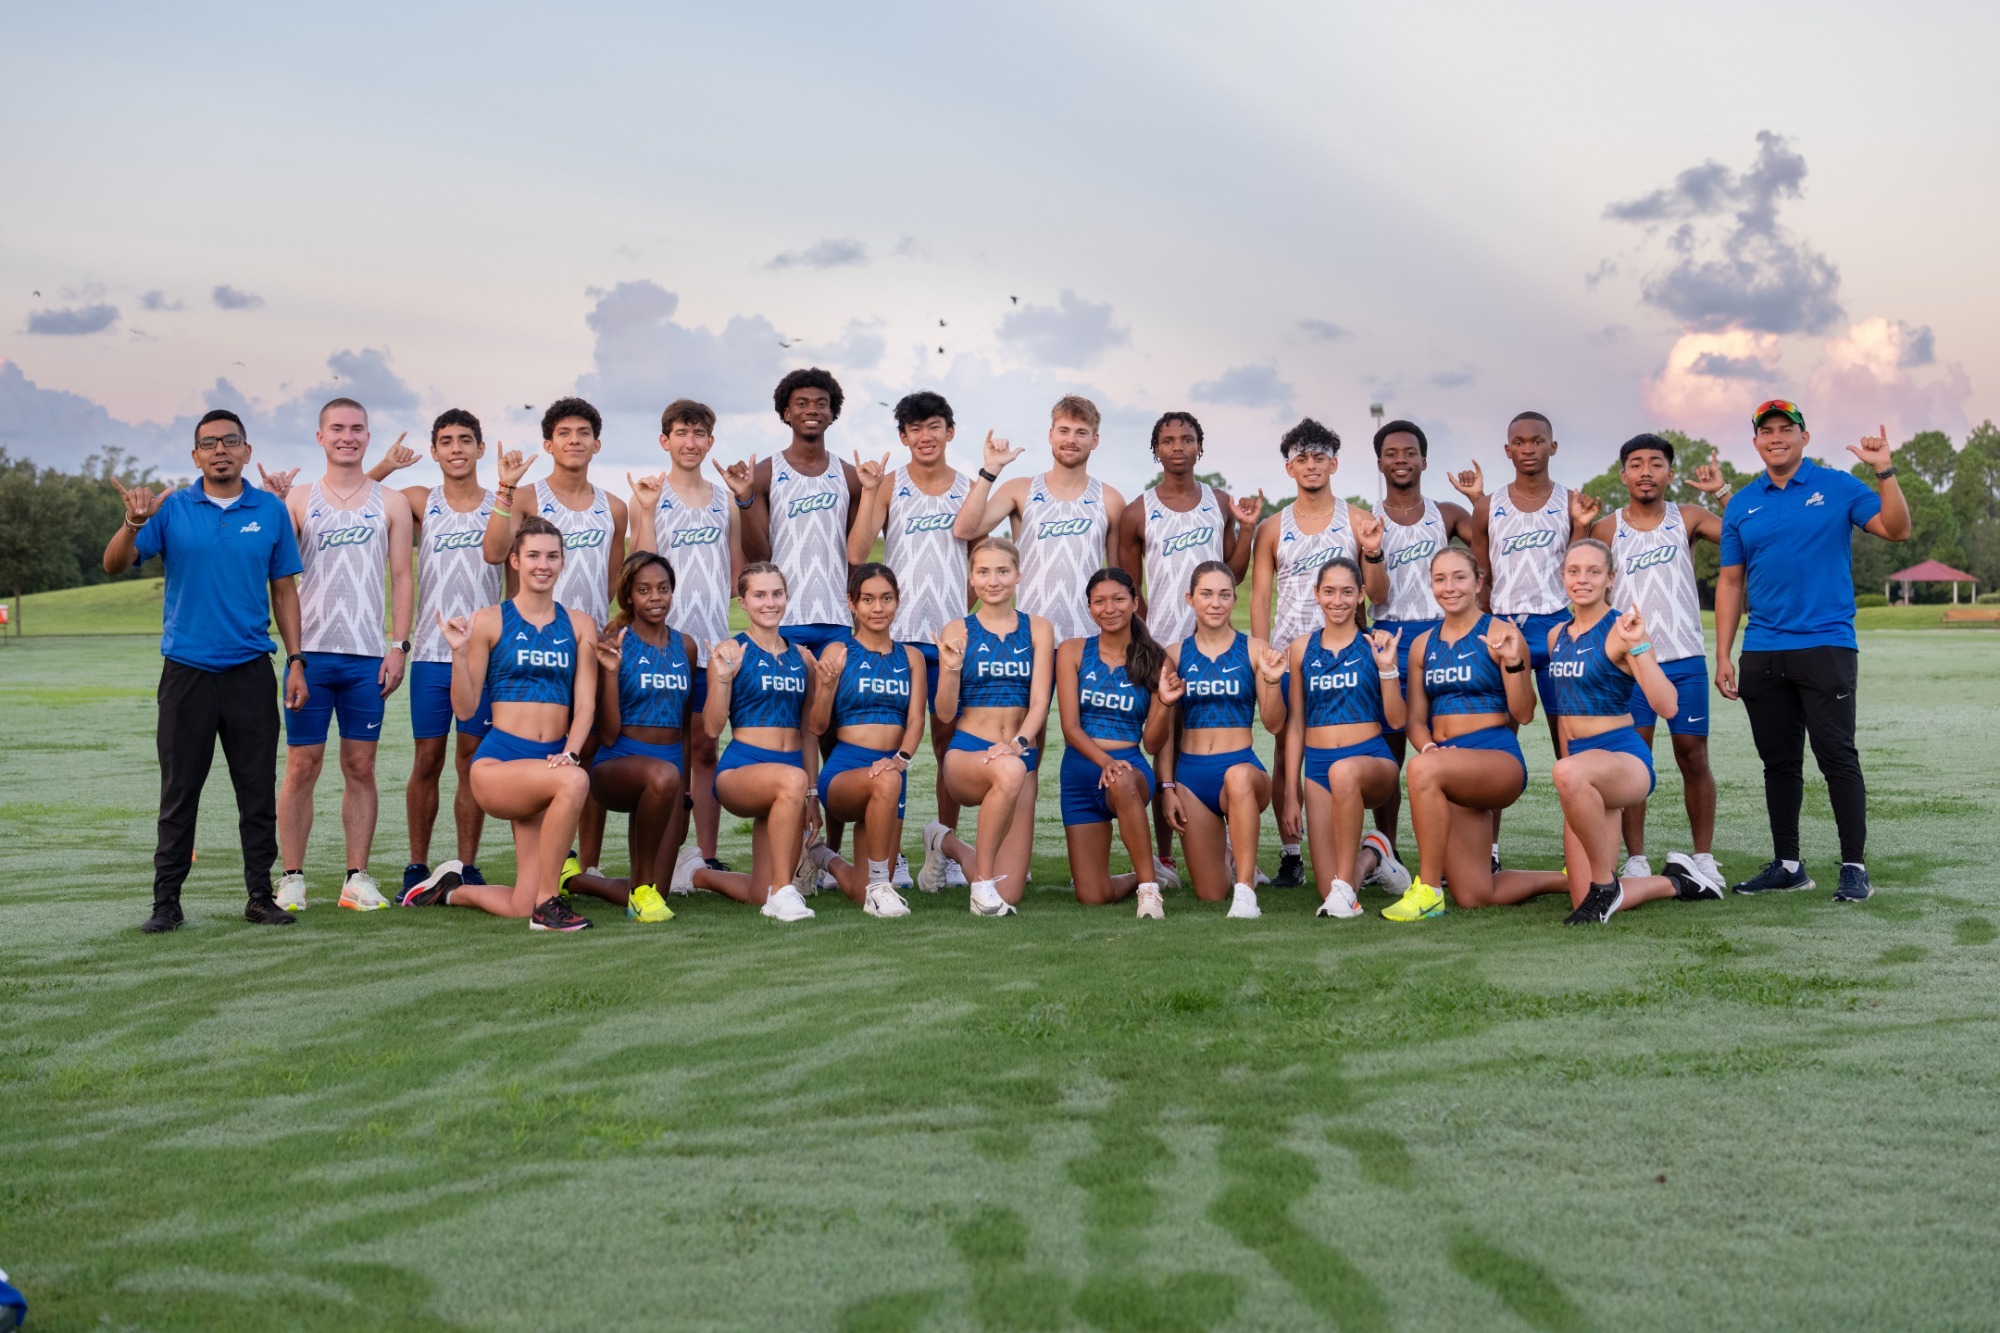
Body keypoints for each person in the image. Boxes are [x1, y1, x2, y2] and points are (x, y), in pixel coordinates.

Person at [105, 409, 307, 931]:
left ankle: (261, 896)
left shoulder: (270, 510)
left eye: (230, 441)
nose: (220, 449)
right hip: (187, 674)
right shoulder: (171, 510)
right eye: (209, 443)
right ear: (195, 455)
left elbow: (284, 590)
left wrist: (297, 660)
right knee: (179, 793)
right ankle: (166, 904)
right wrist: (133, 522)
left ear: (247, 450)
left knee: (257, 791)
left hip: (249, 672)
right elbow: (113, 563)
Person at [1715, 403, 1909, 902]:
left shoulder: (1839, 486)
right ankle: (1788, 865)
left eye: (1786, 429)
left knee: (1837, 757)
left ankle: (1854, 866)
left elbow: (1896, 528)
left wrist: (1884, 470)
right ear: (1756, 443)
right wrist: (1723, 654)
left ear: (1804, 436)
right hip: (1762, 650)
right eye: (1766, 432)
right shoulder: (1741, 504)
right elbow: (1731, 582)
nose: (1776, 438)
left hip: (1826, 646)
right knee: (1778, 763)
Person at [407, 516, 597, 931]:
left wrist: (571, 752)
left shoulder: (581, 625)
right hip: (499, 767)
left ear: (563, 562)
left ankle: (450, 890)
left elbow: (585, 706)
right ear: (514, 561)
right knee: (575, 782)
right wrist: (458, 653)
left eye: (551, 556)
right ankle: (549, 905)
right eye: (532, 555)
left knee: (516, 903)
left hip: (549, 764)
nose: (542, 564)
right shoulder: (489, 621)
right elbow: (465, 707)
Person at [275, 397, 415, 911]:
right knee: (301, 766)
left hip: (364, 658)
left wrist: (398, 646)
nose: (347, 436)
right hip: (307, 656)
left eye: (357, 428)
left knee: (361, 766)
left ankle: (356, 878)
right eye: (337, 429)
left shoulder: (391, 501)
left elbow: (403, 577)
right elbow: (279, 573)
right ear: (320, 437)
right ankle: (291, 877)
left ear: (367, 435)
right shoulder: (297, 498)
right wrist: (293, 658)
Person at [1114, 410, 1262, 888]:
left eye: (1187, 439)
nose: (1177, 447)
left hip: (1213, 640)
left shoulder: (1218, 502)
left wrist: (1246, 528)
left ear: (1201, 447)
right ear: (1155, 449)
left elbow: (1233, 573)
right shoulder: (1138, 511)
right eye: (1168, 440)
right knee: (1165, 744)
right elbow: (1128, 587)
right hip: (1162, 645)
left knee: (1216, 729)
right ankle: (1164, 856)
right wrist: (1143, 648)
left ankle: (1233, 846)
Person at [1546, 539, 1728, 923]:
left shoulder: (1622, 629)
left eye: (1594, 571)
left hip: (1623, 759)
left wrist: (1641, 646)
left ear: (1610, 579)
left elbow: (1667, 705)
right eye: (1574, 571)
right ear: (1562, 577)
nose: (1583, 580)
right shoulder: (1556, 635)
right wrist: (1575, 779)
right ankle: (1679, 881)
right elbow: (1563, 717)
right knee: (1585, 902)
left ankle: (1606, 884)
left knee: (1565, 771)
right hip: (1583, 774)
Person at [483, 397, 626, 877]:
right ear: (548, 444)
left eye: (583, 433)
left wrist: (596, 632)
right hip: (529, 642)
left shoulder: (615, 507)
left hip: (582, 642)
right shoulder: (527, 496)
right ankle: (545, 866)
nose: (574, 441)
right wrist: (505, 488)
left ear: (597, 443)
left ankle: (584, 865)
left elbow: (612, 582)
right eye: (564, 433)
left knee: (584, 751)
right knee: (531, 749)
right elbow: (494, 552)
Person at [1579, 433, 1731, 886]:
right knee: (1634, 759)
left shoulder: (1688, 517)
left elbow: (1749, 532)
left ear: (1669, 473)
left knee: (1692, 754)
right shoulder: (1606, 529)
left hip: (1684, 657)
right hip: (1628, 665)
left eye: (1657, 464)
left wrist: (1722, 492)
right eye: (1637, 464)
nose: (1647, 472)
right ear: (1623, 473)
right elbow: (1579, 579)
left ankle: (1703, 856)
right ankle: (1637, 857)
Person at [363, 409, 503, 897]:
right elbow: (358, 497)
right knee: (428, 759)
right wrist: (385, 466)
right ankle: (416, 865)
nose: (457, 448)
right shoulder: (421, 500)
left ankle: (466, 863)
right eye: (446, 441)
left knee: (472, 759)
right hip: (428, 652)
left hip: (484, 655)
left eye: (466, 440)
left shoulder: (501, 504)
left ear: (480, 448)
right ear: (436, 450)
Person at [1389, 548, 1568, 919]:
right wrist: (1429, 748)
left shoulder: (1501, 632)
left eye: (1459, 577)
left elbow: (1524, 712)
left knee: (1421, 770)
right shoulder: (1423, 645)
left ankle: (1428, 889)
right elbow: (1416, 721)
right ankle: (1567, 879)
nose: (1449, 587)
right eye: (1440, 579)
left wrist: (1514, 661)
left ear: (1478, 582)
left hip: (1496, 760)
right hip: (1448, 766)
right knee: (1474, 893)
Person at [1248, 418, 1385, 889]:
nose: (1311, 465)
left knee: (1354, 742)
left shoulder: (1359, 518)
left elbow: (1378, 590)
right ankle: (1292, 854)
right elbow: (1260, 597)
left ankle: (1374, 843)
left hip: (1345, 652)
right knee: (1287, 749)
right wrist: (1263, 655)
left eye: (1319, 456)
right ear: (1290, 467)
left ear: (1335, 463)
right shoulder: (1271, 527)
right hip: (1290, 654)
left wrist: (1373, 554)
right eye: (1302, 458)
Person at [848, 390, 972, 890]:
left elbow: (982, 567)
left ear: (949, 432)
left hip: (949, 637)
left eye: (934, 426)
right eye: (915, 429)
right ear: (903, 437)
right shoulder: (891, 483)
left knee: (947, 742)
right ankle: (890, 855)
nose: (925, 436)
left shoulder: (968, 487)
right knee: (891, 743)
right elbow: (858, 552)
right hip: (893, 637)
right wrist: (868, 491)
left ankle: (943, 849)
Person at [1463, 410, 1588, 872]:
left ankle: (1579, 849)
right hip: (1504, 629)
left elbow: (1580, 563)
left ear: (1552, 447)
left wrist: (1579, 525)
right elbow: (1482, 576)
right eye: (1520, 441)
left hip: (1556, 627)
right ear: (1508, 450)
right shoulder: (1487, 506)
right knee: (1496, 742)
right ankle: (1488, 852)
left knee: (1570, 744)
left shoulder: (1572, 501)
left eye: (1538, 440)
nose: (1529, 448)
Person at [628, 399, 744, 875]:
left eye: (699, 434)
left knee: (704, 748)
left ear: (710, 442)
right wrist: (650, 510)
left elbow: (736, 568)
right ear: (665, 441)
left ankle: (706, 854)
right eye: (681, 433)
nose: (690, 442)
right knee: (668, 751)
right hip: (663, 647)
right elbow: (640, 567)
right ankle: (664, 854)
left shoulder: (724, 499)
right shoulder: (648, 495)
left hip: (712, 643)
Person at [559, 552, 698, 924]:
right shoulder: (612, 641)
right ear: (629, 596)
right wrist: (609, 672)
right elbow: (605, 733)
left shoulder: (686, 646)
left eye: (663, 589)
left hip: (668, 776)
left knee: (655, 889)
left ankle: (575, 881)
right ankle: (638, 892)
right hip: (616, 765)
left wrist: (684, 794)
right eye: (645, 590)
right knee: (660, 776)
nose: (656, 597)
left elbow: (684, 728)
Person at [925, 537, 1055, 916]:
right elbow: (945, 714)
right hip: (968, 754)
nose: (993, 580)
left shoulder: (1039, 629)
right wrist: (949, 667)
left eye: (1002, 571)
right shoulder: (957, 628)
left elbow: (1039, 703)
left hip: (1016, 755)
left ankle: (945, 841)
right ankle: (981, 888)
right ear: (971, 578)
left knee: (1011, 891)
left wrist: (1017, 743)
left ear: (1018, 575)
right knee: (1010, 768)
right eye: (983, 572)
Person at [1278, 557, 1413, 919]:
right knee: (1329, 887)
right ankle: (1374, 853)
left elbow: (1398, 720)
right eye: (1329, 591)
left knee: (1344, 772)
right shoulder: (1301, 648)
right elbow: (1295, 724)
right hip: (1318, 768)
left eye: (1347, 592)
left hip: (1371, 761)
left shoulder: (1375, 644)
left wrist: (1387, 669)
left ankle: (1348, 893)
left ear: (1361, 595)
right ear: (1316, 594)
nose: (1337, 600)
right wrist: (1292, 792)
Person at [1368, 419, 1479, 857]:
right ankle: (1389, 853)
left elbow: (1487, 552)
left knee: (1448, 745)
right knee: (1390, 750)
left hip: (1440, 637)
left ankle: (1462, 850)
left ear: (1424, 460)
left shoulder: (1447, 513)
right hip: (1389, 637)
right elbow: (1375, 592)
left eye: (1409, 452)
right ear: (1379, 462)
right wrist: (1373, 549)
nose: (1400, 460)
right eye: (1391, 453)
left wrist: (1478, 501)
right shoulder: (1365, 519)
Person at [797, 563, 925, 918]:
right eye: (867, 599)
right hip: (845, 773)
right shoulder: (838, 651)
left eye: (886, 598)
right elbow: (818, 726)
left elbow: (916, 721)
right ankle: (882, 887)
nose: (877, 607)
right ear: (851, 603)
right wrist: (824, 686)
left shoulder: (911, 657)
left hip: (892, 773)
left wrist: (900, 759)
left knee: (857, 889)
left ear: (898, 602)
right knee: (885, 780)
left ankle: (822, 857)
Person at [1162, 561, 1286, 919]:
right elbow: (1167, 733)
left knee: (1237, 776)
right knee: (1211, 894)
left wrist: (1274, 681)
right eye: (1206, 594)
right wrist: (1168, 786)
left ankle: (1246, 891)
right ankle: (1231, 861)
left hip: (1242, 770)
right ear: (1190, 599)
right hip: (1191, 777)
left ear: (1234, 600)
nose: (1215, 603)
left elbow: (1274, 724)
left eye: (1224, 595)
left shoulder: (1255, 649)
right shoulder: (1174, 655)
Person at [702, 563, 825, 922]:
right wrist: (723, 680)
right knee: (791, 781)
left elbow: (808, 733)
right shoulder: (730, 650)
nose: (769, 603)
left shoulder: (802, 657)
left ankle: (696, 873)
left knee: (760, 891)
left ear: (787, 598)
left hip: (790, 780)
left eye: (776, 594)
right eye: (759, 595)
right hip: (741, 771)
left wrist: (812, 795)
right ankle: (785, 894)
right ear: (743, 602)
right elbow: (711, 729)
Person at [954, 395, 1125, 651]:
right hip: (1027, 636)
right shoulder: (1020, 490)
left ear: (1095, 440)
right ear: (1051, 434)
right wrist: (990, 470)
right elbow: (964, 530)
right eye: (1064, 430)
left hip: (1086, 638)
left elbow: (1118, 577)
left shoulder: (1110, 500)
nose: (1071, 440)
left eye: (1081, 433)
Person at [1055, 568, 1176, 916]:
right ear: (1090, 607)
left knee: (1122, 781)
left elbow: (1153, 744)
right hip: (1080, 774)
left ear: (1136, 602)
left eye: (1119, 599)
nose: (1110, 608)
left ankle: (1149, 892)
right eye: (1099, 601)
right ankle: (1148, 873)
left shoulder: (1156, 659)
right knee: (1093, 895)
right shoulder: (1072, 650)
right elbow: (1070, 728)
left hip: (1129, 768)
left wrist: (1166, 703)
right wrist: (1102, 762)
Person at [739, 368, 863, 656]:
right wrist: (744, 499)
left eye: (821, 404)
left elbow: (855, 558)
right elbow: (759, 557)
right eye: (802, 403)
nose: (813, 410)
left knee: (832, 701)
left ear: (832, 414)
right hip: (782, 618)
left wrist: (857, 617)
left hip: (836, 620)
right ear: (786, 413)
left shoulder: (851, 477)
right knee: (784, 701)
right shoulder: (763, 474)